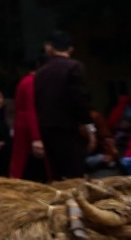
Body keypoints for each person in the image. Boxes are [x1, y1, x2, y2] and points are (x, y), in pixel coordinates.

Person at [33, 31, 92, 179]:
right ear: (70, 49)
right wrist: (88, 125)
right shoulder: (74, 67)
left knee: (58, 173)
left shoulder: (40, 72)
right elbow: (79, 98)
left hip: (47, 127)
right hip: (70, 128)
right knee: (75, 173)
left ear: (49, 48)